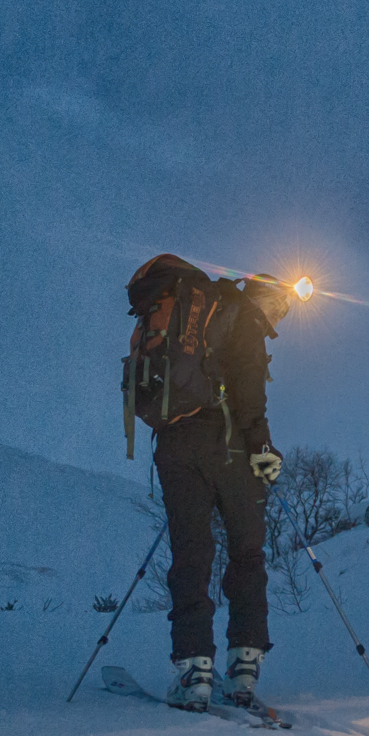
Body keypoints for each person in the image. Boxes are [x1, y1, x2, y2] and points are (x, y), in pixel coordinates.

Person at [125, 256, 293, 710]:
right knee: (246, 551)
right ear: (268, 298)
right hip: (229, 445)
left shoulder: (191, 310)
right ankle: (244, 667)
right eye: (279, 311)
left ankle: (194, 670)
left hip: (174, 444)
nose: (277, 320)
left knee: (191, 553)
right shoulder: (241, 314)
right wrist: (262, 447)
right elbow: (248, 385)